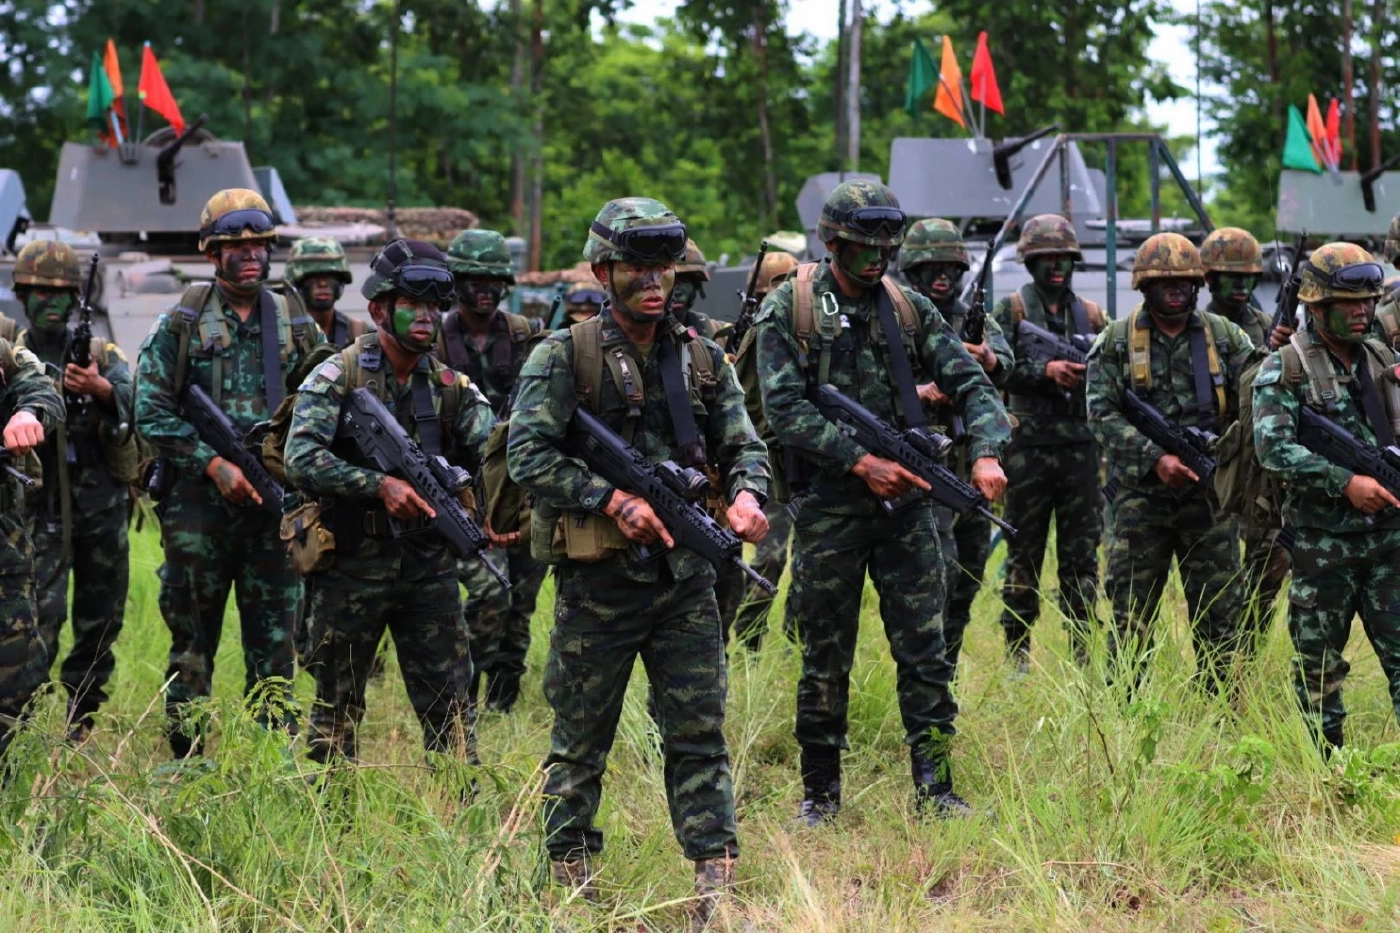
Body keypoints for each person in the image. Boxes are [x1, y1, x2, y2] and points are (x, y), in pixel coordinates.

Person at [508, 197, 769, 918]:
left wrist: (746, 494)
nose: (655, 281)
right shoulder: (564, 355)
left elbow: (743, 443)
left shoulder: (702, 355)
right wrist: (609, 498)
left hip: (685, 582)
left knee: (698, 734)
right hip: (600, 586)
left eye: (665, 267)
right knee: (580, 737)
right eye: (637, 268)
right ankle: (569, 879)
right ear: (603, 272)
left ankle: (714, 881)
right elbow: (527, 453)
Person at [756, 180, 1011, 823]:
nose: (876, 259)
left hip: (909, 506)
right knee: (825, 653)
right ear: (832, 242)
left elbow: (972, 383)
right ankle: (820, 795)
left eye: (886, 248)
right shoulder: (792, 308)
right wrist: (860, 462)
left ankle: (936, 789)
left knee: (926, 649)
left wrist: (986, 451)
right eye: (863, 247)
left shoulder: (908, 307)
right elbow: (783, 411)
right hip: (830, 507)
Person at [286, 238, 498, 766]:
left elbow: (497, 450)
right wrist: (378, 486)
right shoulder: (339, 375)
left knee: (451, 708)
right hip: (351, 566)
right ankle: (327, 809)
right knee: (336, 708)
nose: (426, 316)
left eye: (434, 306)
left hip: (427, 567)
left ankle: (460, 804)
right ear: (380, 310)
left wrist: (495, 508)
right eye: (412, 304)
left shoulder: (449, 385)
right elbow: (300, 458)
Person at [135, 188, 323, 758]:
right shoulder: (182, 323)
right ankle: (186, 760)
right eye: (236, 247)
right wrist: (211, 463)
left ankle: (272, 763)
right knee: (192, 646)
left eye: (260, 246)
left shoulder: (294, 322)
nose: (250, 256)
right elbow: (149, 410)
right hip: (198, 513)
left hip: (273, 514)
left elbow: (327, 402)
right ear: (211, 252)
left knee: (276, 649)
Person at [1087, 232, 1256, 691]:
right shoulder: (1116, 341)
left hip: (1210, 497)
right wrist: (1155, 458)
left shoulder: (1226, 337)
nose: (1176, 288)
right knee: (1130, 614)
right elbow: (1100, 415)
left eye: (1184, 280)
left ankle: (1222, 708)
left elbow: (1256, 403)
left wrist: (1229, 455)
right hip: (1140, 501)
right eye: (1164, 281)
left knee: (1220, 612)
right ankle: (1126, 707)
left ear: (1198, 283)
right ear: (1144, 286)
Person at [1253, 243, 1400, 754]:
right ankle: (1327, 773)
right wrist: (1344, 482)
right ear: (1316, 306)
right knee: (1318, 671)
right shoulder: (1286, 368)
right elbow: (1273, 450)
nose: (1363, 311)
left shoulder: (1384, 359)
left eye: (1368, 301)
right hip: (1323, 549)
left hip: (1390, 545)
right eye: (1349, 303)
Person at [12, 240, 135, 740]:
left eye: (61, 292)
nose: (51, 301)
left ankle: (81, 717)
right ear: (23, 295)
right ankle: (21, 722)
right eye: (40, 291)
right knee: (35, 620)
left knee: (100, 619)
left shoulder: (101, 353)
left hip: (100, 506)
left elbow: (136, 400)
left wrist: (100, 389)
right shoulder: (13, 354)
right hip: (36, 510)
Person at [435, 227, 546, 713]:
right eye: (474, 281)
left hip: (524, 489)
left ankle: (504, 699)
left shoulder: (526, 336)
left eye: (493, 281)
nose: (485, 290)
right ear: (456, 282)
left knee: (521, 600)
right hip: (460, 492)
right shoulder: (434, 340)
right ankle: (465, 688)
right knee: (488, 594)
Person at [898, 218, 1013, 672]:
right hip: (923, 462)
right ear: (913, 271)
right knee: (939, 570)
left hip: (971, 463)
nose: (942, 277)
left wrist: (987, 359)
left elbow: (1006, 363)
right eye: (932, 268)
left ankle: (946, 668)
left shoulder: (974, 319)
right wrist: (924, 391)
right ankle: (927, 669)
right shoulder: (898, 317)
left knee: (968, 572)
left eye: (950, 268)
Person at [995, 214, 1105, 670]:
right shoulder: (1012, 310)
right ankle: (1017, 651)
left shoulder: (1092, 314)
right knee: (1023, 554)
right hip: (1028, 453)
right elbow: (994, 368)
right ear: (1029, 261)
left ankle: (1082, 650)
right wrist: (1043, 372)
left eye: (1064, 258)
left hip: (1080, 452)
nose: (1056, 266)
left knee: (1082, 560)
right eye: (1046, 258)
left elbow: (1112, 371)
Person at [1198, 227, 1291, 649]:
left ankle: (1248, 651)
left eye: (1248, 277)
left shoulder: (1271, 326)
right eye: (1231, 277)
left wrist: (1284, 353)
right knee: (1217, 568)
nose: (1241, 286)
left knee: (1269, 562)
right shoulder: (1199, 330)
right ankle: (1220, 651)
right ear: (1210, 279)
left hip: (1260, 462)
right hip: (1214, 459)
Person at [726, 249, 800, 649]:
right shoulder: (756, 336)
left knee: (812, 559)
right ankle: (749, 639)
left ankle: (798, 640)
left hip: (809, 460)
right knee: (770, 557)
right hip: (768, 463)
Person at [0, 336, 64, 762]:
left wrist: (27, 412)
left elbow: (43, 388)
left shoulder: (5, 353)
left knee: (19, 675)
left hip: (5, 549)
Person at [284, 236, 370, 347]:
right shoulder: (281, 333)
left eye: (330, 275)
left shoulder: (359, 333)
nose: (323, 283)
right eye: (314, 276)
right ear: (297, 282)